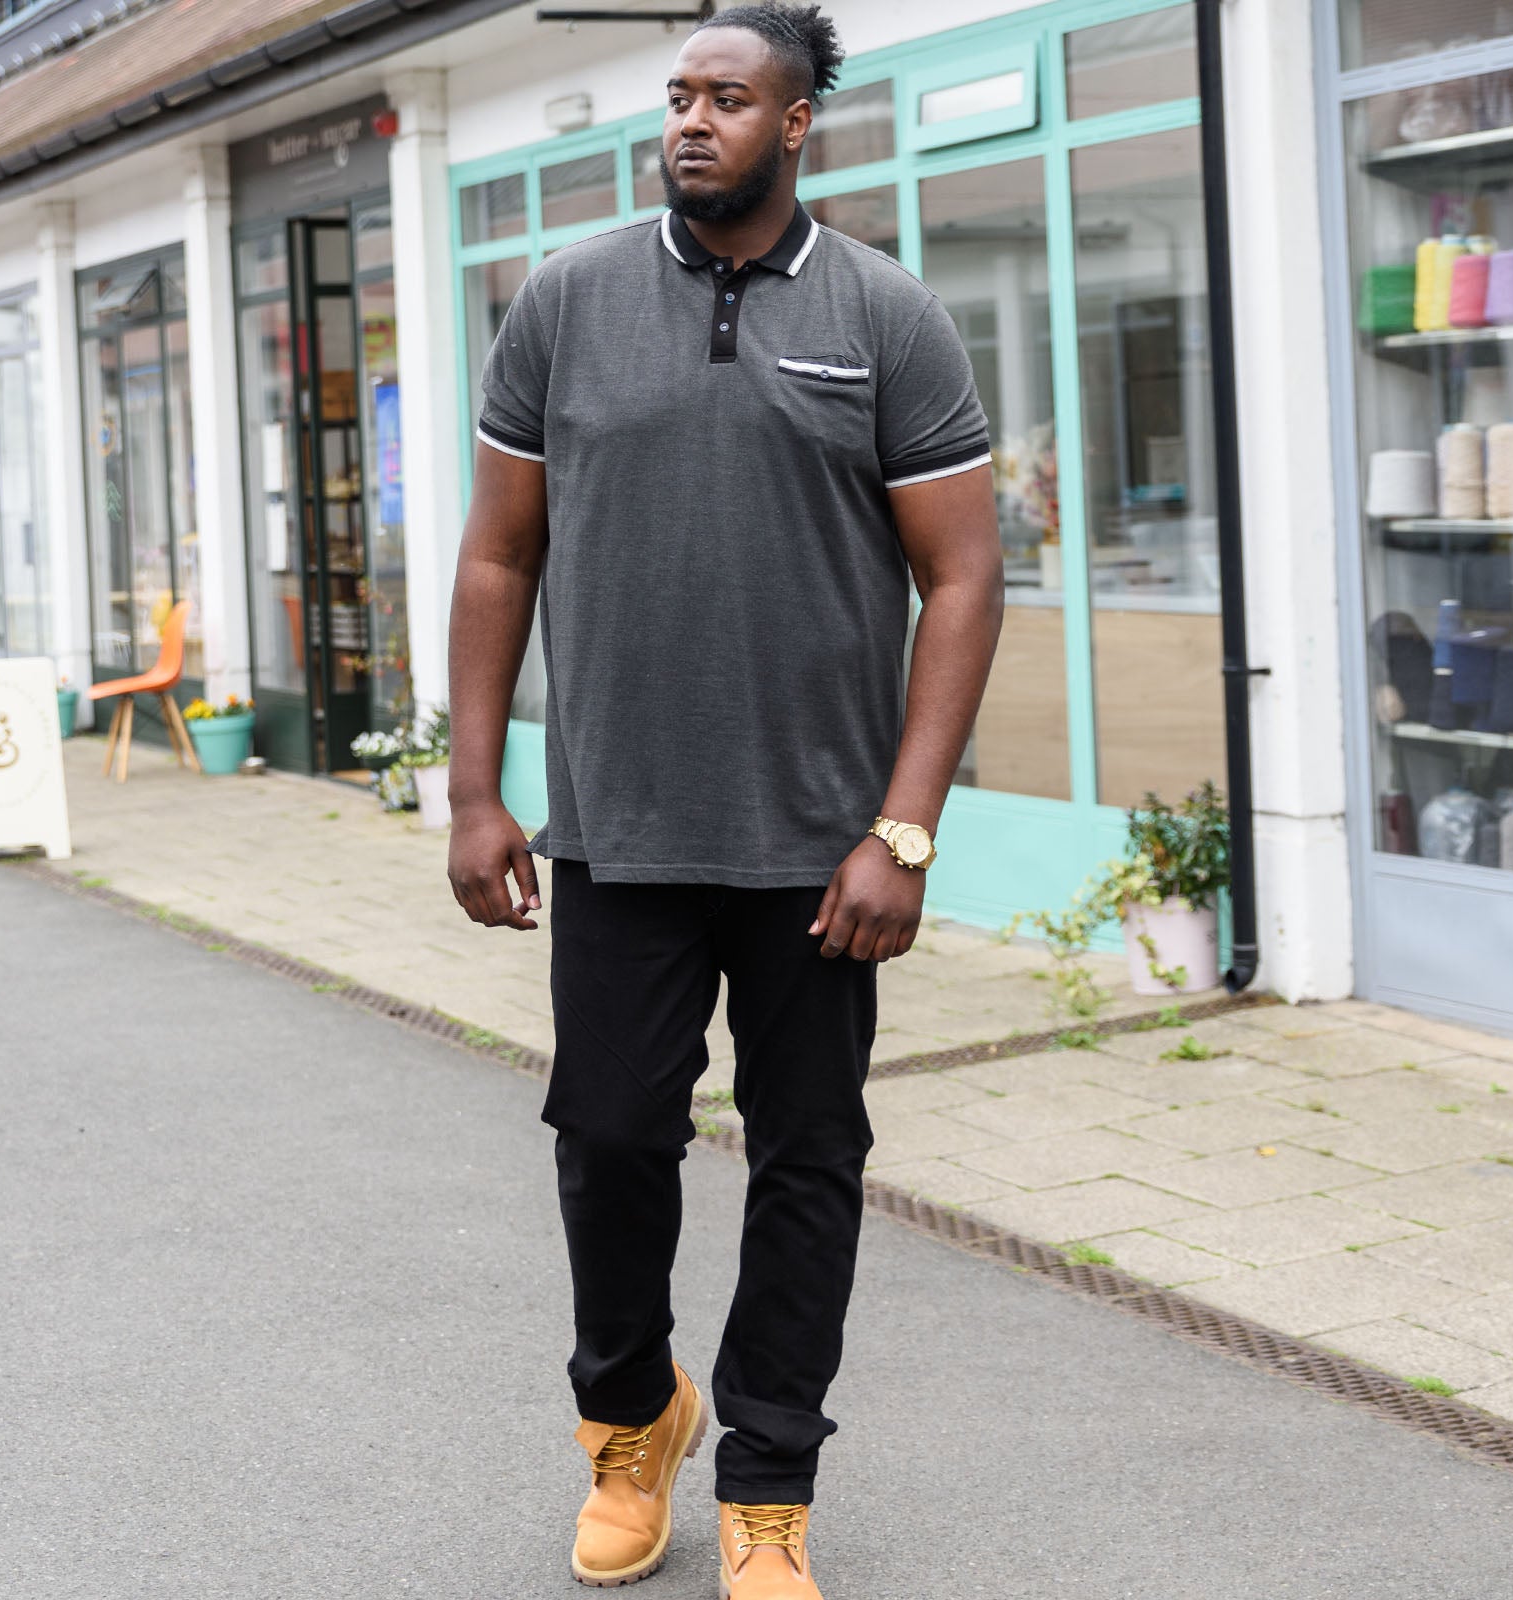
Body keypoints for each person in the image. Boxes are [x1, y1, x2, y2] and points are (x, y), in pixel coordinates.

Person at [446, 4, 1003, 1593]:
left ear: (799, 120)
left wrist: (904, 828)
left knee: (807, 1159)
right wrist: (476, 792)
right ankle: (632, 1420)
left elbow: (964, 579)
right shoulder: (564, 302)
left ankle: (769, 1484)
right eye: (678, 94)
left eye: (730, 97)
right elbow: (499, 554)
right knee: (609, 1142)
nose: (691, 120)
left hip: (821, 852)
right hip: (618, 829)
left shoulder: (886, 314)